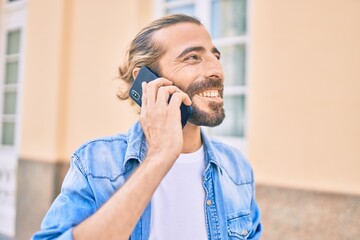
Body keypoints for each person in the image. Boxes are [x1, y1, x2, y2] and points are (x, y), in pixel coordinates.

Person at [33, 14, 262, 240]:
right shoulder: (95, 163)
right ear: (147, 81)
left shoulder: (237, 168)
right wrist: (159, 157)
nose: (217, 70)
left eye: (216, 56)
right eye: (192, 57)